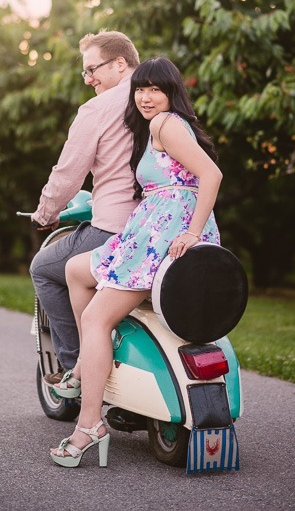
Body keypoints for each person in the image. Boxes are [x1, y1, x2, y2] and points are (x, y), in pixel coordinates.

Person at [50, 56, 223, 467]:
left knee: (95, 318)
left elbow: (211, 175)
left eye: (155, 90)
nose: (145, 97)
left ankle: (89, 423)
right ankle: (89, 366)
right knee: (76, 270)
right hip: (149, 231)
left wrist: (193, 233)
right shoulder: (155, 126)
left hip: (162, 237)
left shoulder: (166, 124)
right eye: (140, 89)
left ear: (171, 92)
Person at [29, 30, 140, 381]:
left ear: (121, 63)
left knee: (44, 268)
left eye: (94, 69)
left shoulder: (97, 108)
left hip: (113, 228)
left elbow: (68, 173)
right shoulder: (158, 99)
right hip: (154, 227)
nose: (89, 79)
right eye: (85, 72)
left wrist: (45, 213)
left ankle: (75, 364)